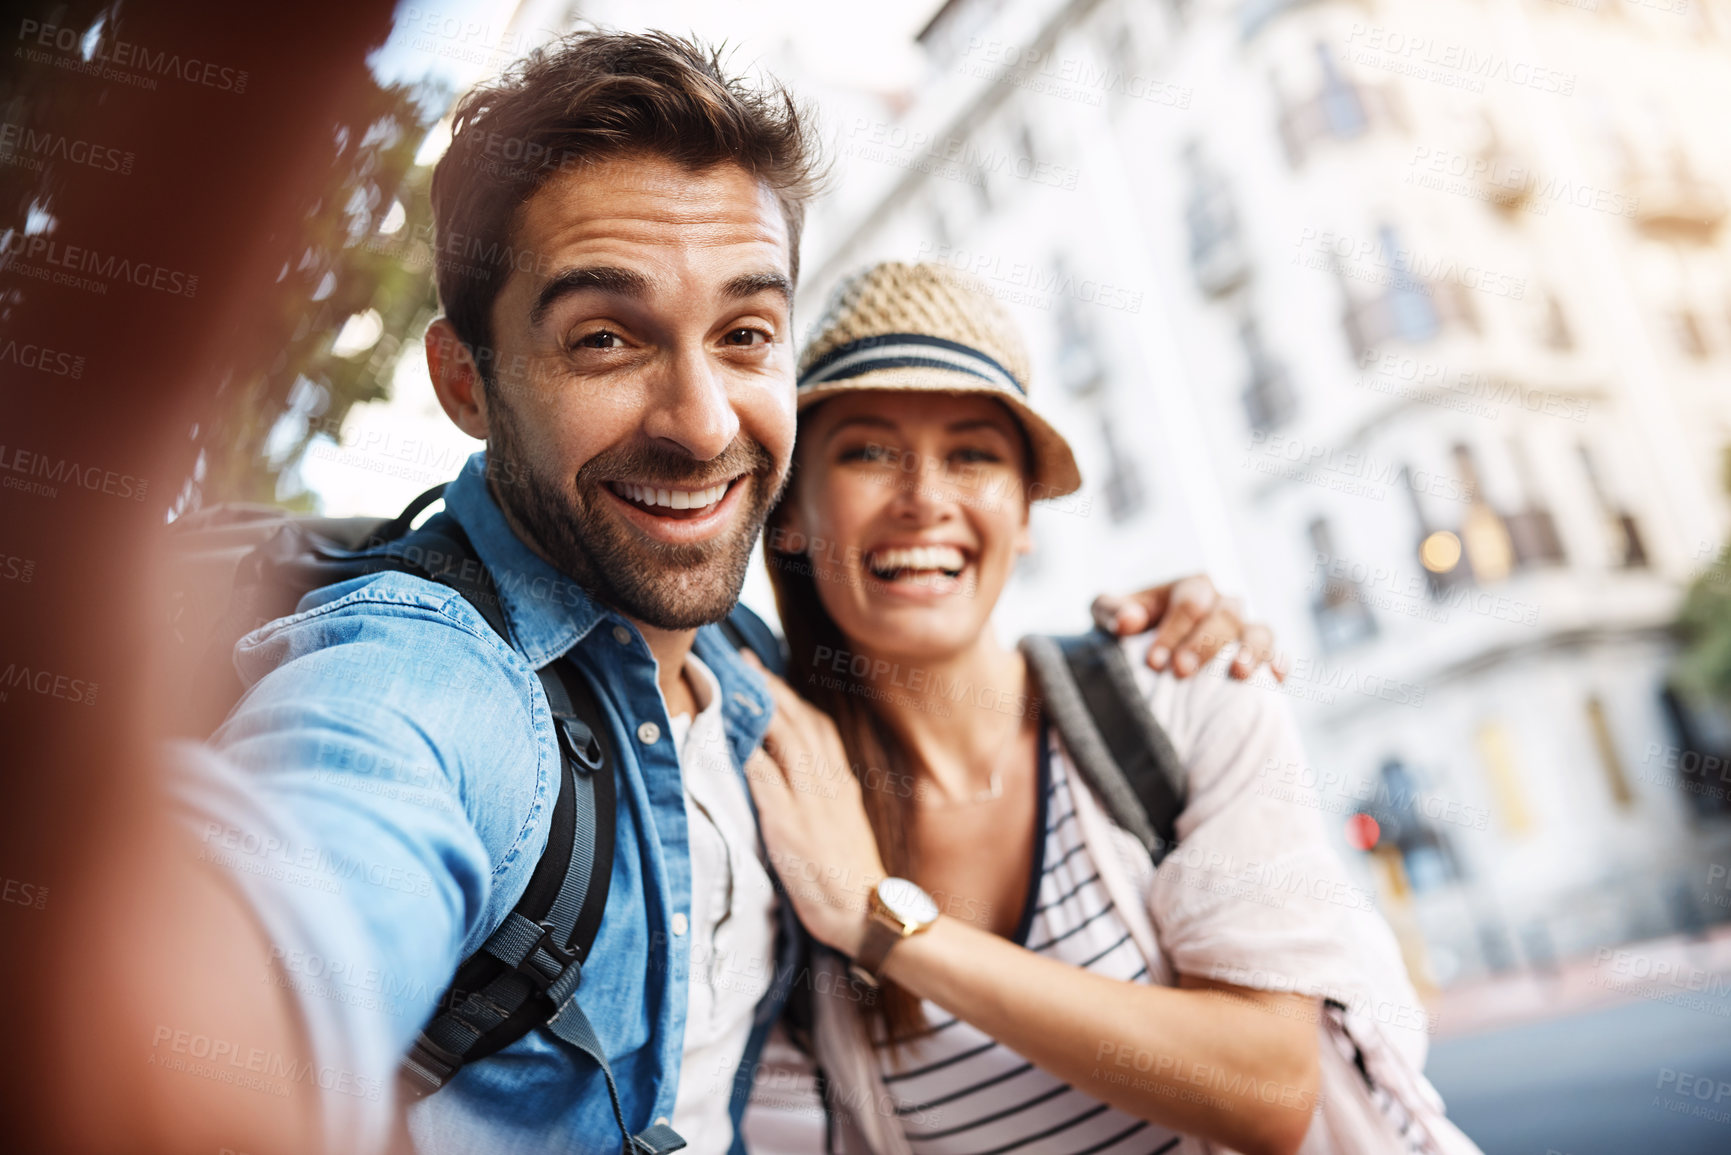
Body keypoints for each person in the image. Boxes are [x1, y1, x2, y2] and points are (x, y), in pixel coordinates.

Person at [158, 31, 1284, 1155]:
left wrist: (1187, 620)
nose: (700, 423)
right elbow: (244, 985)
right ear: (467, 381)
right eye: (606, 339)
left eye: (745, 334)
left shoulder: (759, 682)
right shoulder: (431, 685)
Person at [741, 263, 1483, 1155]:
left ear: (1024, 515)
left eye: (972, 454)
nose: (924, 499)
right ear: (788, 514)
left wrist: (889, 926)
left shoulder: (1182, 687)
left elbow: (1266, 1090)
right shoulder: (772, 801)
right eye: (865, 450)